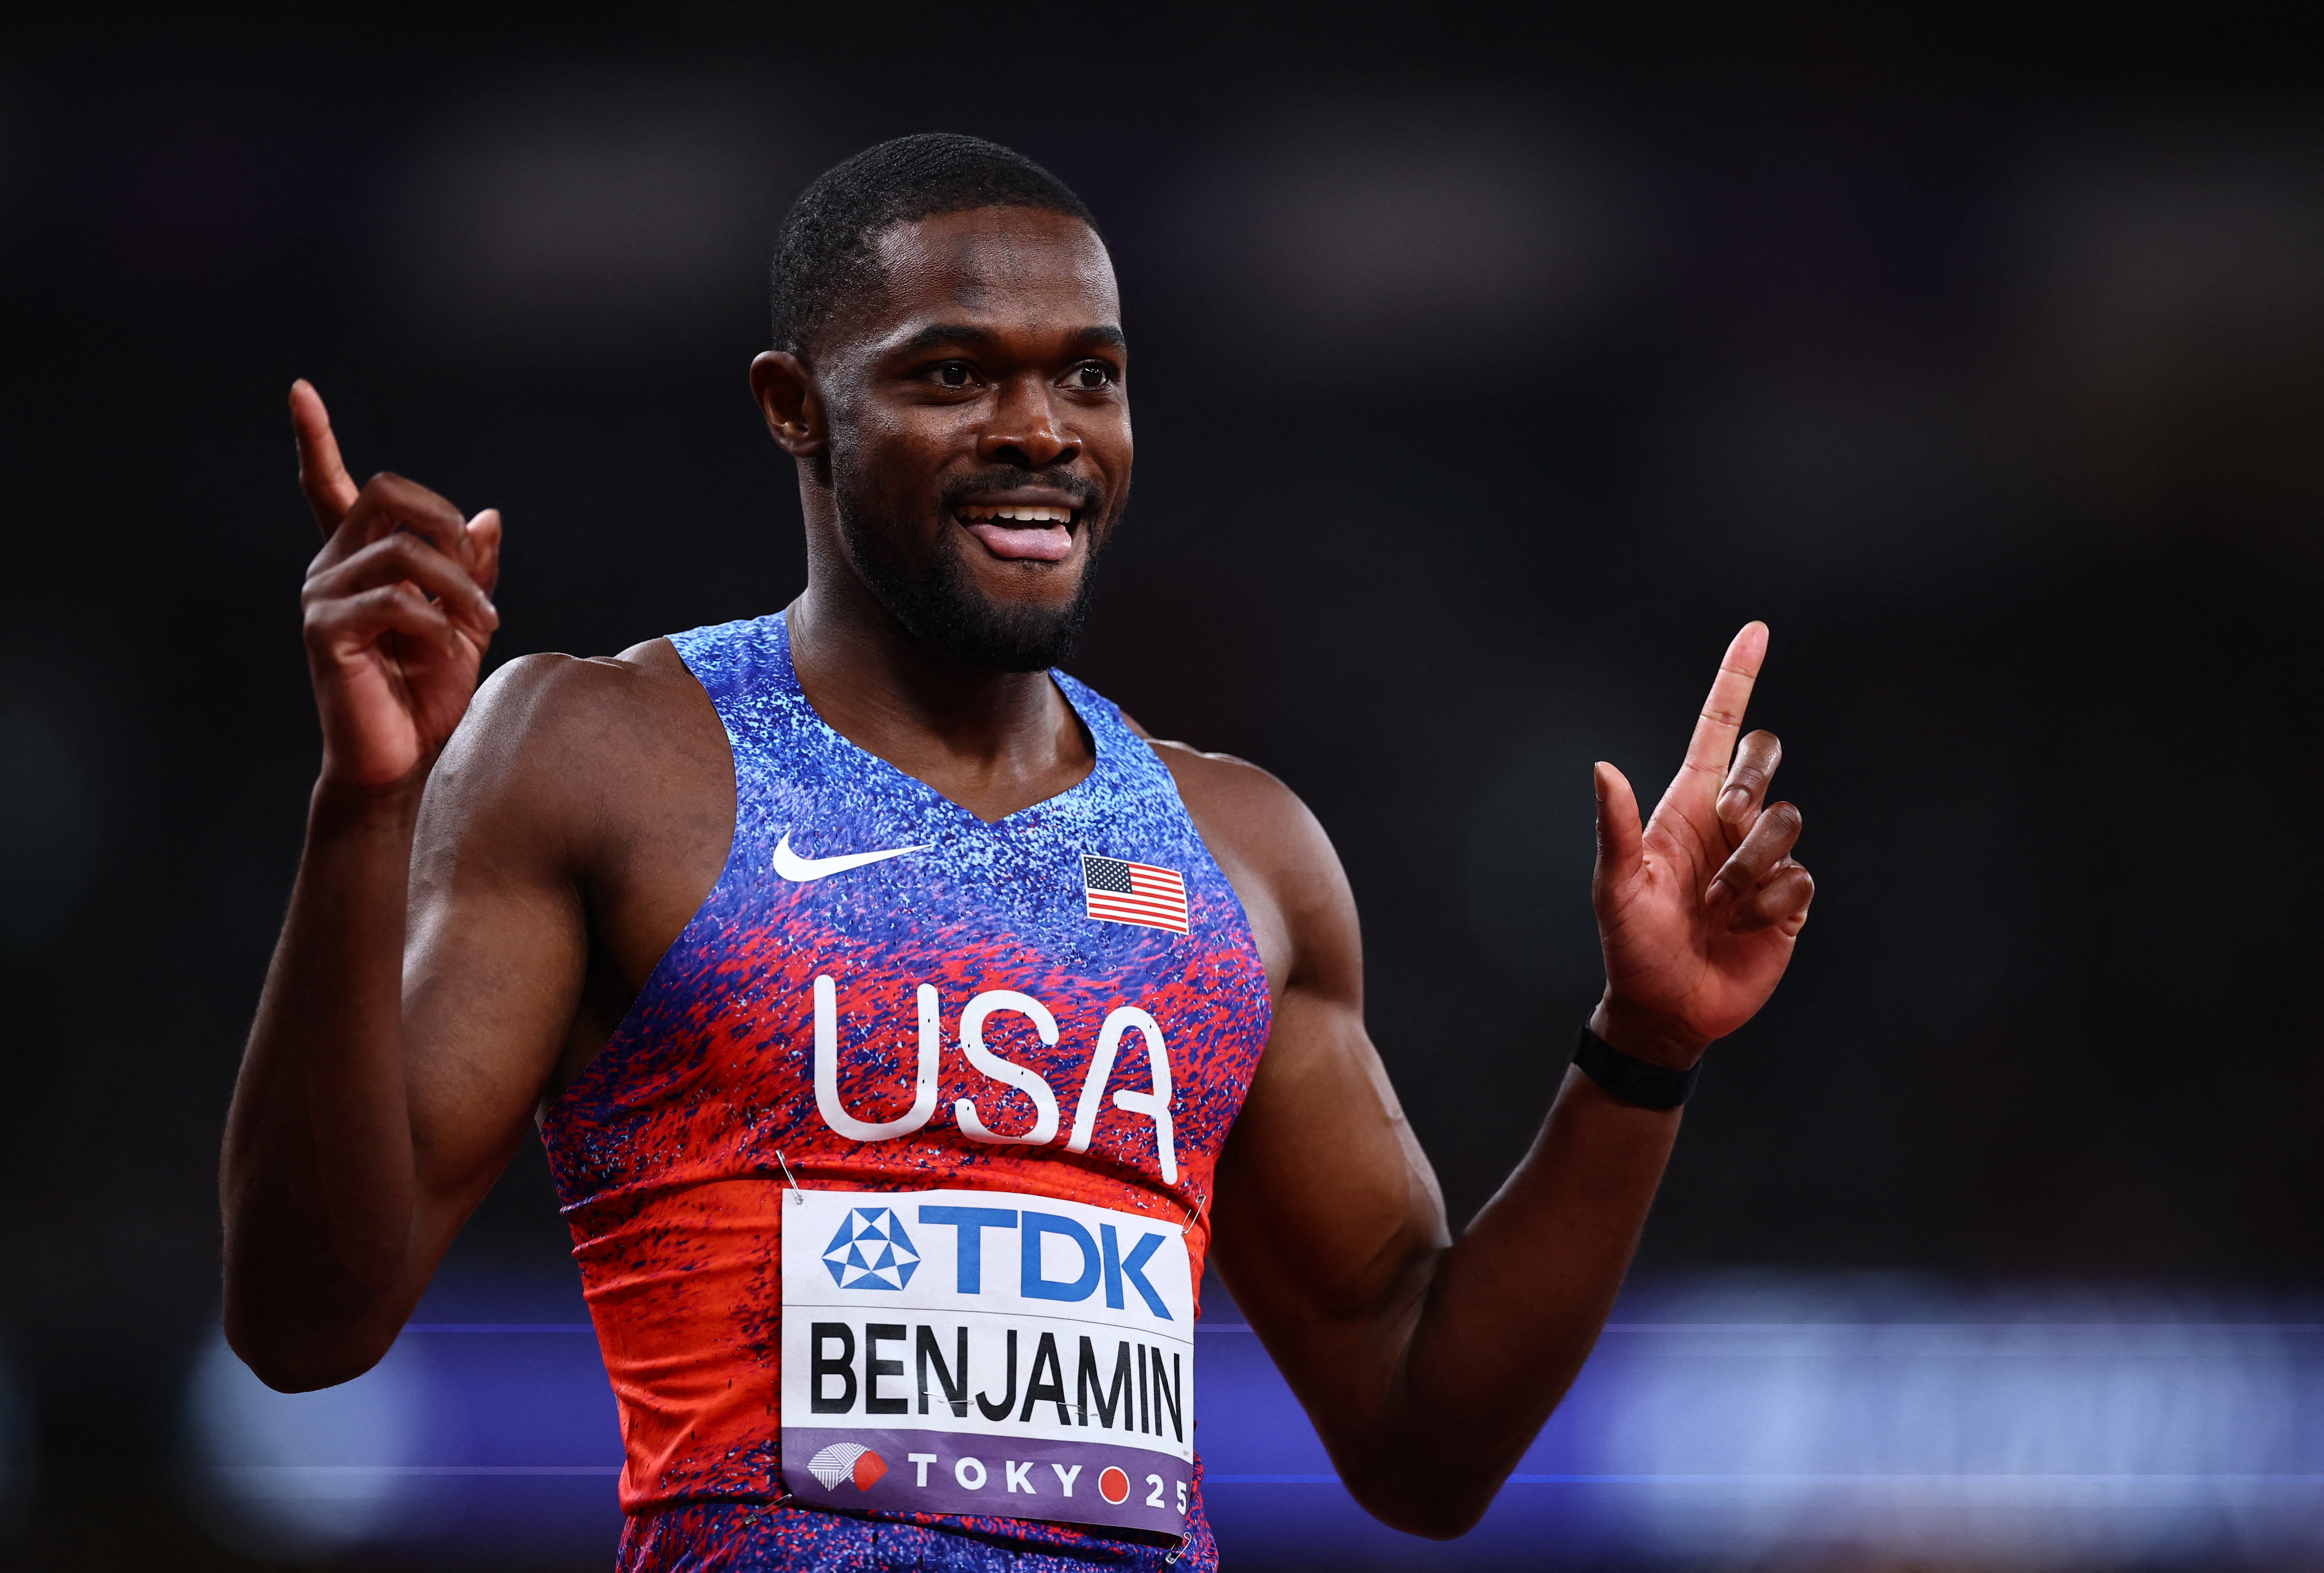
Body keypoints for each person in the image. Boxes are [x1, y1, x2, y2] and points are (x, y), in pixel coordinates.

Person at [221, 133, 1814, 1572]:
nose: (1041, 430)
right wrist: (363, 809)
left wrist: (1645, 1045)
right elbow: (306, 1321)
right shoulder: (603, 755)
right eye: (954, 374)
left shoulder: (1239, 851)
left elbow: (1422, 1437)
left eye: (1091, 378)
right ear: (795, 405)